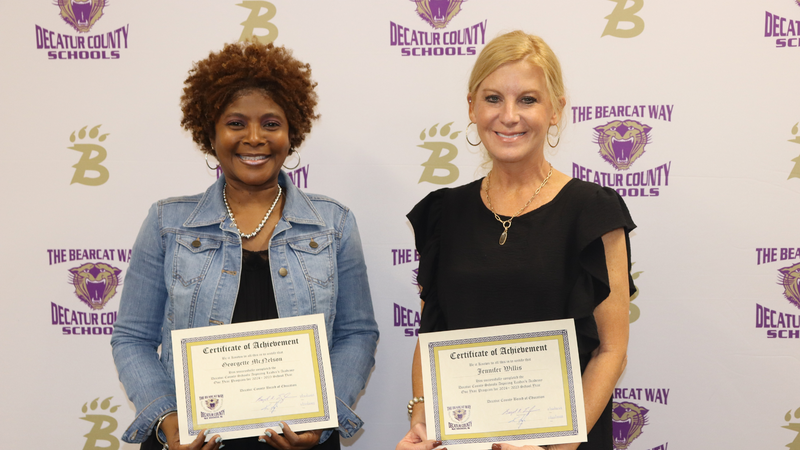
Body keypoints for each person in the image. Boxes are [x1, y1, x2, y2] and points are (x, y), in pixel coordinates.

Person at [111, 41, 379, 450]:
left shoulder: (333, 224)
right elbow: (131, 337)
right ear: (210, 133)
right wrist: (168, 420)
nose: (254, 138)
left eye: (271, 124)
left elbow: (357, 333)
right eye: (236, 123)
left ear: (292, 133)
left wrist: (326, 419)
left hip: (301, 441)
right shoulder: (168, 224)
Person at [396, 31, 635, 450]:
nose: (509, 116)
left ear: (557, 110)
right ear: (471, 106)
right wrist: (421, 414)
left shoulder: (593, 211)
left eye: (528, 99)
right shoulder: (442, 213)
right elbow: (430, 335)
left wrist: (558, 445)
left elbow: (611, 350)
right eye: (492, 99)